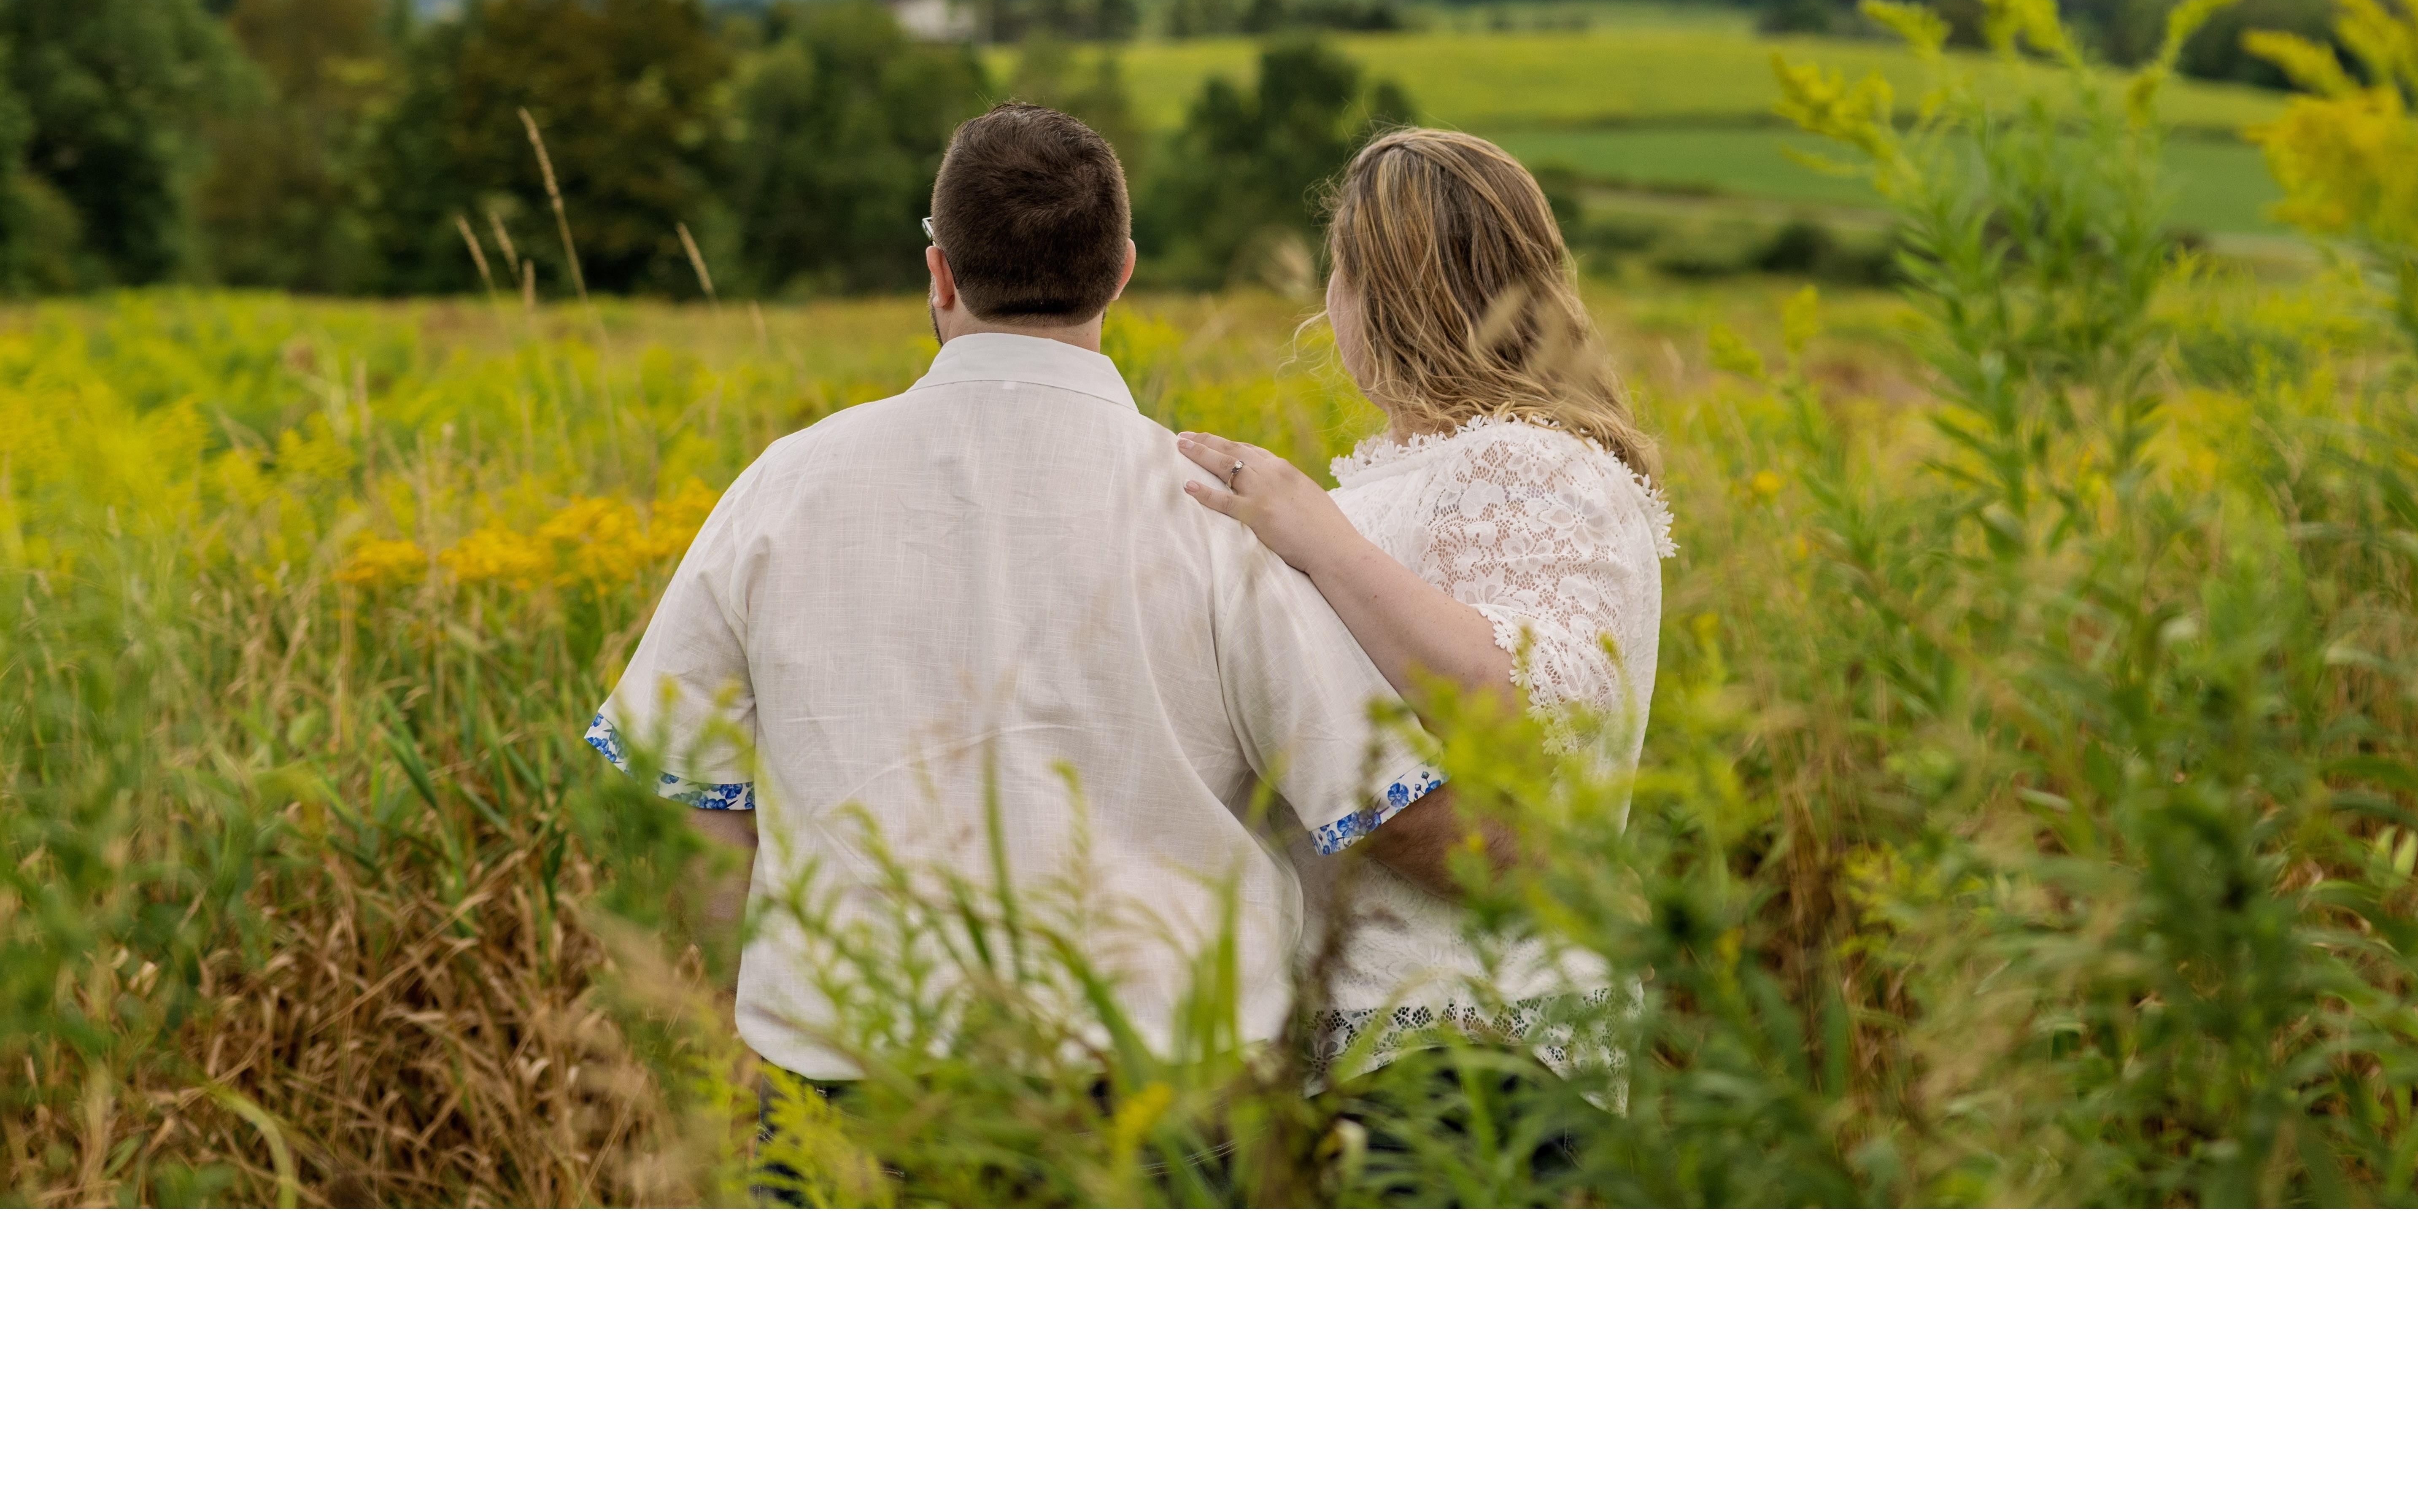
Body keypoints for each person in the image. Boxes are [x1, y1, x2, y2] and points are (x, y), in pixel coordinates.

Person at [584, 101, 1463, 1136]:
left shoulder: (786, 486)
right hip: (1162, 1118)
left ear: (941, 274)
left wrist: (766, 1007)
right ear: (1123, 271)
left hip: (853, 1103)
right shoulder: (1216, 513)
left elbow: (678, 791)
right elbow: (1395, 814)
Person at [1175, 126, 1671, 1069]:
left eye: (1340, 274)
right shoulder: (1424, 471)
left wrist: (1319, 539)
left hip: (1480, 1031)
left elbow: (1541, 716)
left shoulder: (1524, 462)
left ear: (1379, 293)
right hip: (1387, 1029)